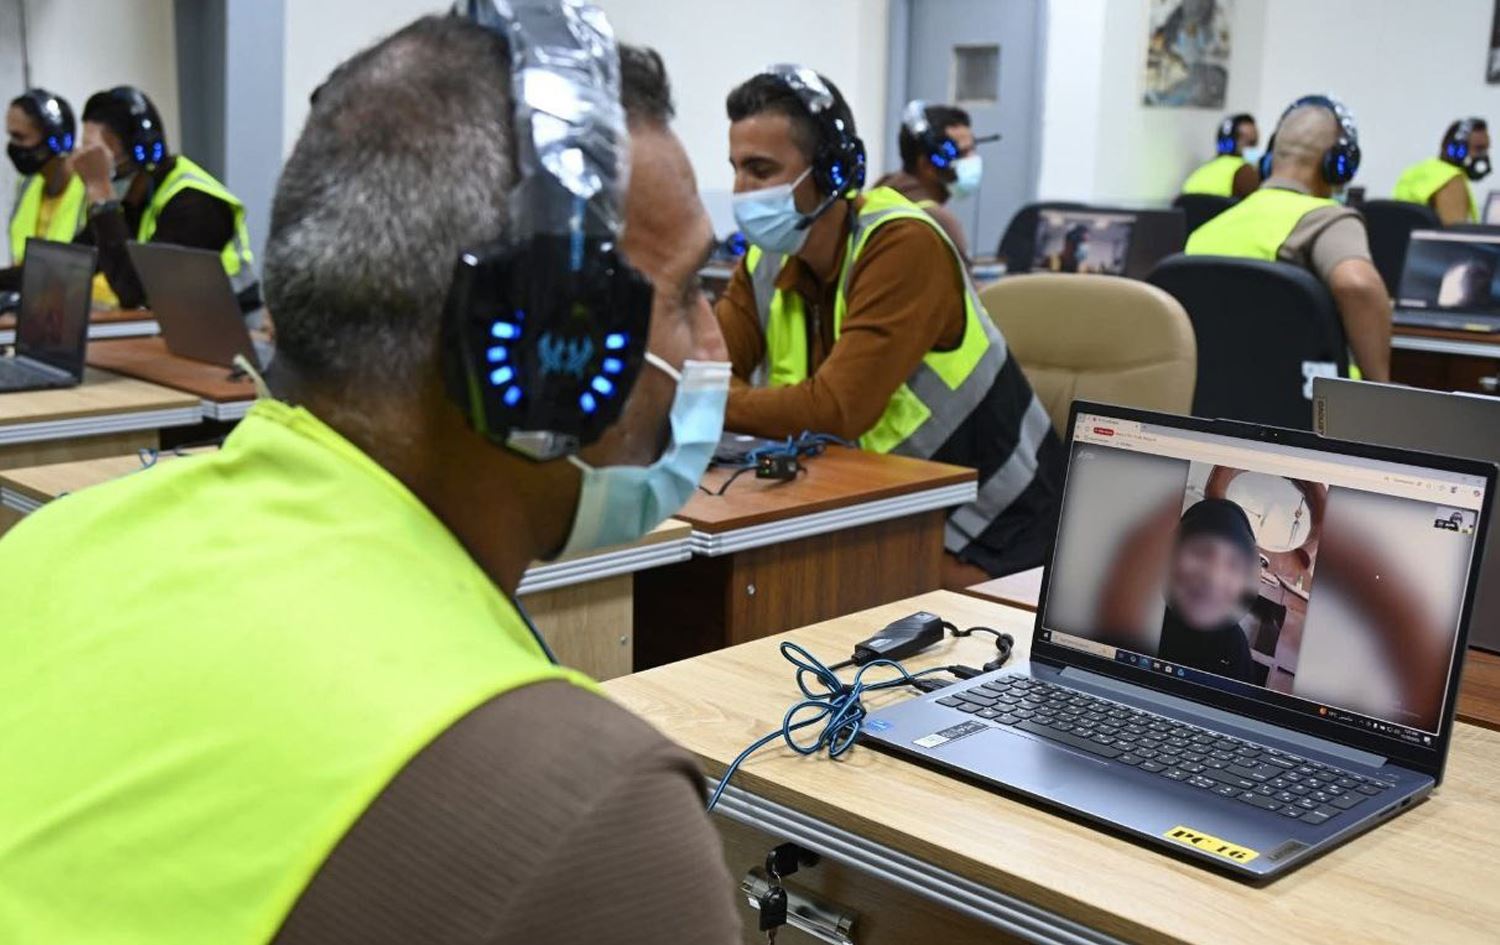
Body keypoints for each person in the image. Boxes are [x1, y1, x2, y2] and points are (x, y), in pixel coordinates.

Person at [0, 11, 740, 945]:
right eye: (687, 294)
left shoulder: (49, 545)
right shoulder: (593, 813)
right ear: (546, 351)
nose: (714, 347)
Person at [715, 65, 1063, 584]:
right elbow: (702, 368)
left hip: (994, 527)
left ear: (833, 172)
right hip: (876, 510)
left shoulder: (902, 244)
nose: (742, 191)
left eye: (761, 171)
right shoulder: (764, 260)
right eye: (736, 168)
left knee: (790, 593)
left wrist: (715, 400)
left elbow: (836, 409)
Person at [1185, 94, 1392, 382]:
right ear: (1339, 164)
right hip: (1312, 411)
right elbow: (1356, 284)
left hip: (1215, 405)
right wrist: (1379, 389)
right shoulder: (1327, 219)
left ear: (1269, 158)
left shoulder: (1204, 233)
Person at [68, 85, 260, 312]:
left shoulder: (195, 203)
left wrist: (100, 193)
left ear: (142, 153)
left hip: (229, 330)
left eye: (96, 157)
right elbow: (72, 263)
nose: (85, 166)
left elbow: (137, 293)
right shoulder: (134, 202)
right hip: (176, 327)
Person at [1157, 497, 1258, 684]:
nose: (1214, 577)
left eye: (1233, 564)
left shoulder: (1235, 645)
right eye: (1201, 552)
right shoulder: (1139, 610)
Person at [1, 88, 85, 292]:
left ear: (55, 140)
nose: (13, 146)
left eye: (20, 137)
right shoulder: (27, 184)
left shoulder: (88, 189)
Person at [872, 100, 980, 258]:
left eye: (973, 149)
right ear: (927, 165)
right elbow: (963, 283)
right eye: (962, 153)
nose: (973, 159)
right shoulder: (936, 223)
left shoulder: (880, 195)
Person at [1393, 117, 1491, 225]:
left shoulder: (1417, 172)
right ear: (1457, 150)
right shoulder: (1450, 180)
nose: (1484, 156)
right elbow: (1455, 236)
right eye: (1479, 149)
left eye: (1486, 149)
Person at [1181, 112, 1260, 198]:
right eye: (1251, 142)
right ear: (1229, 142)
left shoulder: (1199, 172)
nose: (1254, 149)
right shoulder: (1246, 172)